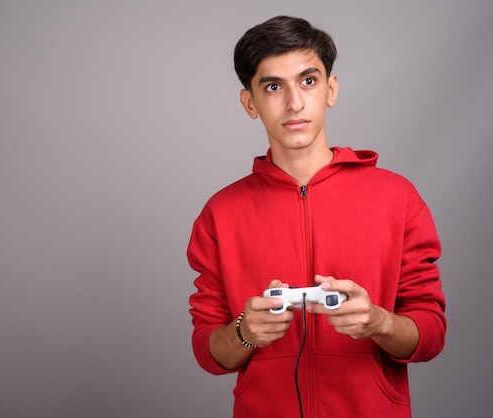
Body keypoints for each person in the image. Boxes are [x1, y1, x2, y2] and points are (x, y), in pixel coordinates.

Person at [187, 15, 446, 418]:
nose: (294, 102)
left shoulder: (398, 197)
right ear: (249, 102)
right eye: (273, 86)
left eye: (308, 81)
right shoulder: (220, 213)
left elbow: (430, 335)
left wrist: (378, 322)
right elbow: (208, 350)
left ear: (331, 89)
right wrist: (244, 333)